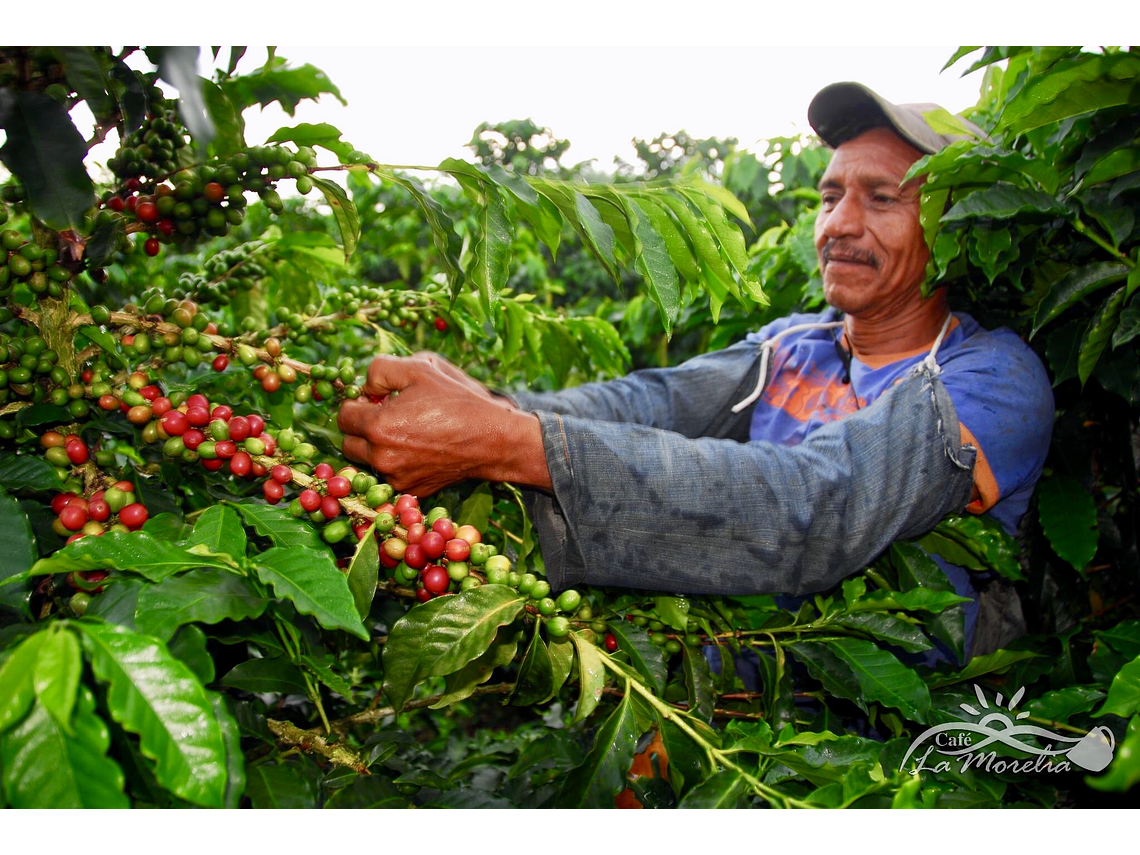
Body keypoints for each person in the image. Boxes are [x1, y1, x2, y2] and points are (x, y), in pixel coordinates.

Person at [338, 82, 1055, 663]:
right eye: (831, 195)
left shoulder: (993, 380)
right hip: (740, 694)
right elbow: (649, 402)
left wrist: (508, 442)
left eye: (884, 197)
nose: (839, 224)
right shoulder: (792, 347)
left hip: (886, 749)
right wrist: (484, 404)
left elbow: (819, 506)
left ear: (957, 224)